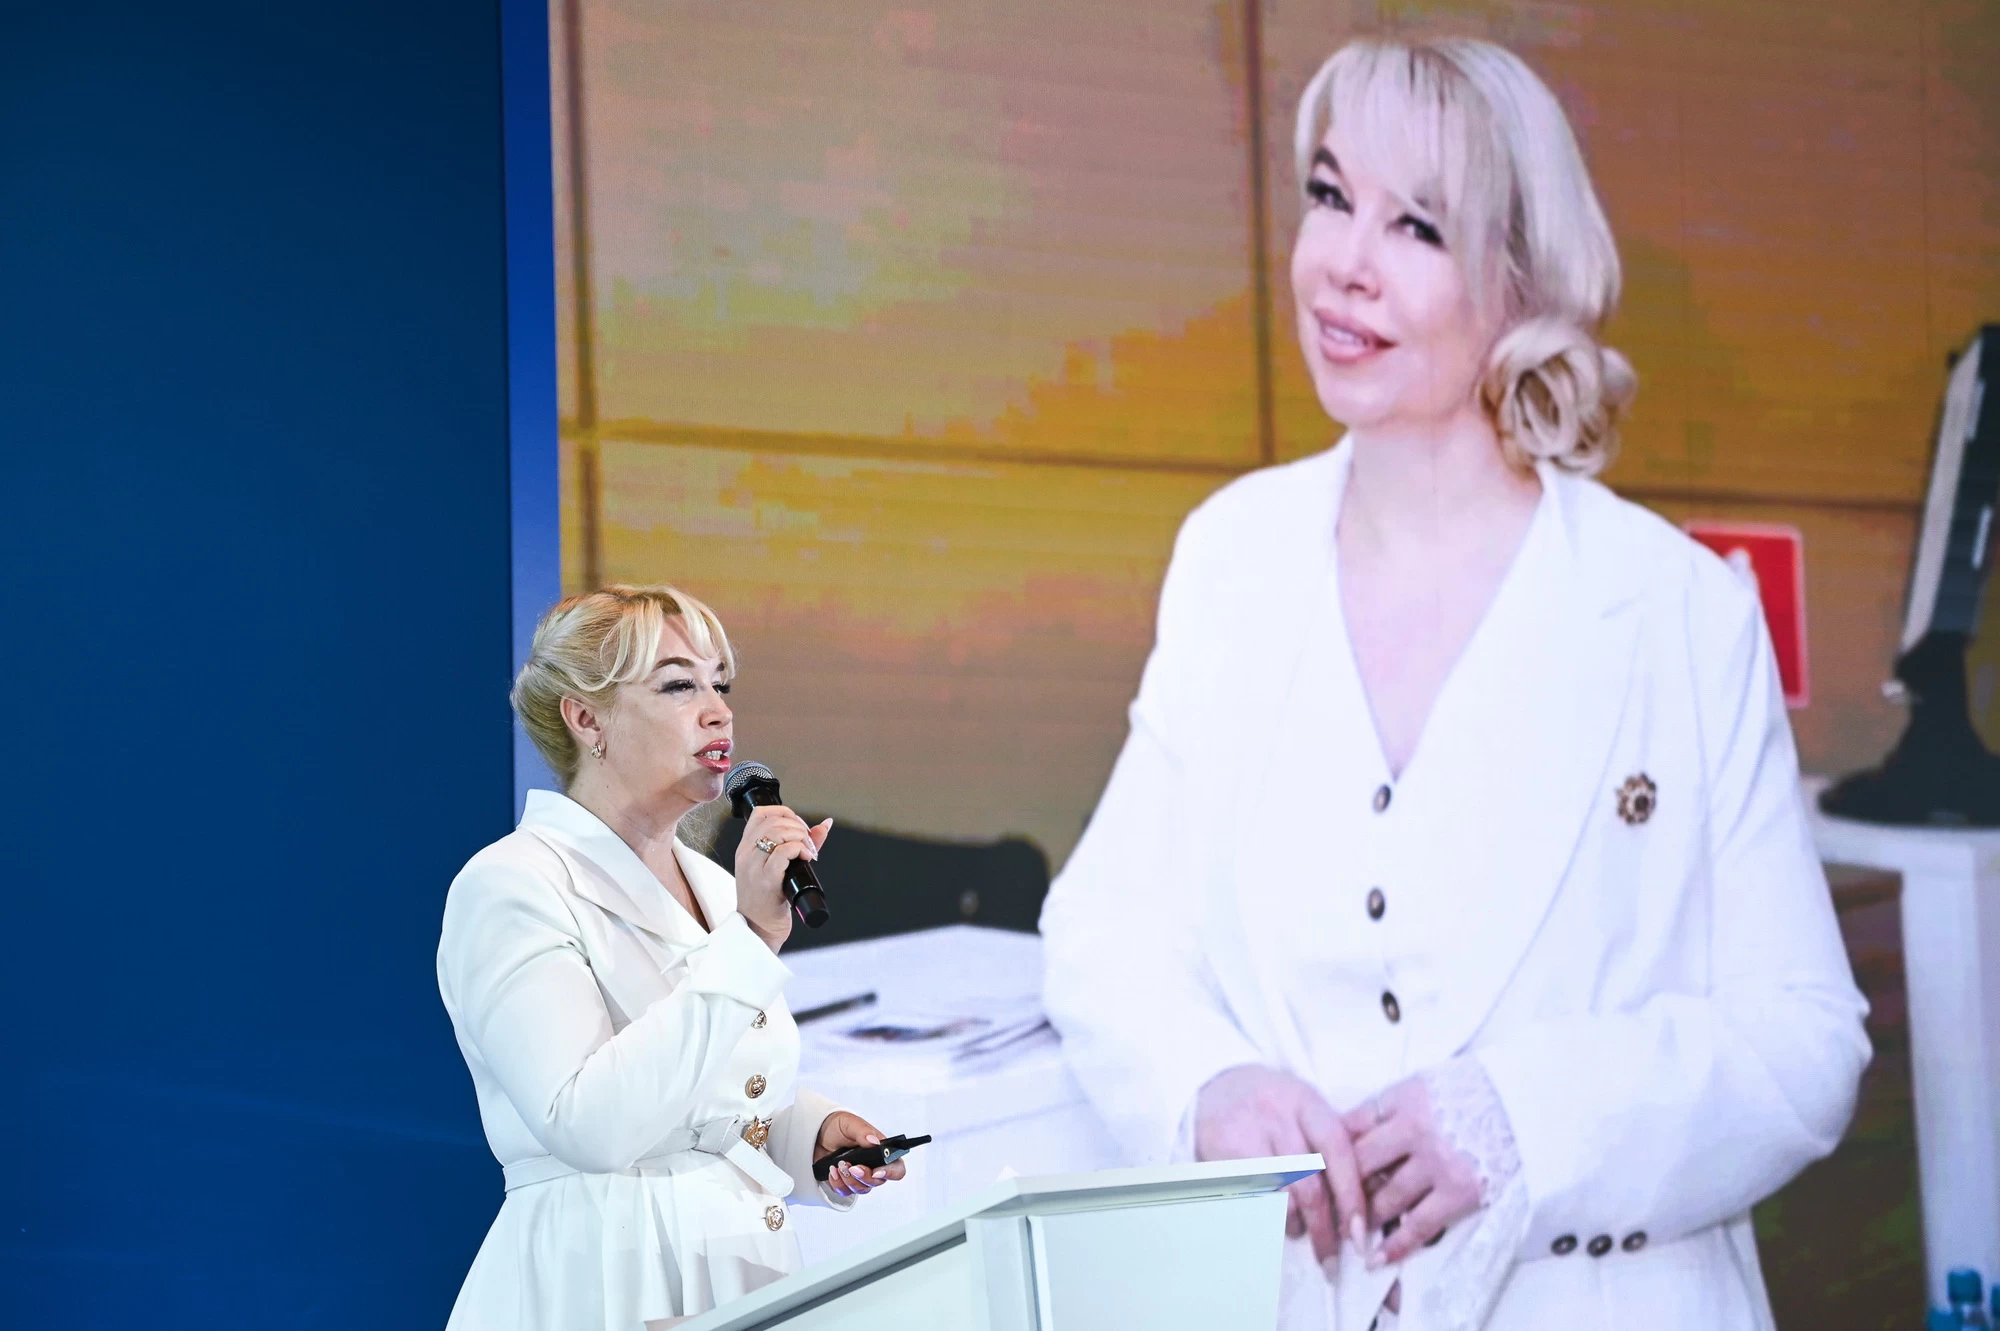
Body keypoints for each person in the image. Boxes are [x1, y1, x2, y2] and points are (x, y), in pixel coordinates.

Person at [1038, 36, 1869, 1331]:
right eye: (1329, 196)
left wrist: (1525, 1115)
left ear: (1520, 280)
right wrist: (1206, 1083)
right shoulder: (1232, 555)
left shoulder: (1673, 609)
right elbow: (1108, 929)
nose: (1343, 261)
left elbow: (1802, 1037)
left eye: (1416, 225)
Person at [438, 584, 905, 1330]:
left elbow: (705, 1108)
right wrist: (751, 942)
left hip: (737, 1277)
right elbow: (588, 1122)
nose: (718, 711)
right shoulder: (513, 883)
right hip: (601, 1280)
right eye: (679, 685)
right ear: (587, 718)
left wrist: (805, 1138)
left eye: (721, 684)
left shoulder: (717, 886)